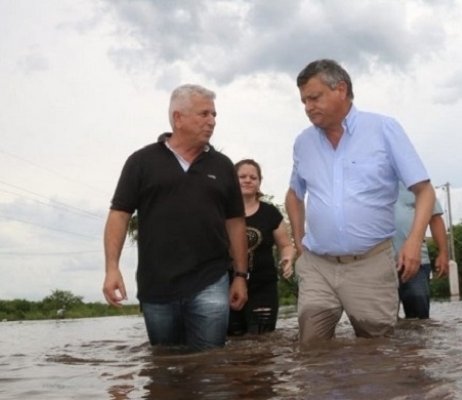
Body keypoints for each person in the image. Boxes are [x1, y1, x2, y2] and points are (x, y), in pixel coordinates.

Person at [285, 59, 435, 346]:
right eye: (304, 101)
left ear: (340, 89)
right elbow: (294, 194)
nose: (308, 107)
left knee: (376, 348)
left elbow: (425, 191)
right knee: (311, 347)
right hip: (318, 265)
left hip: (370, 263)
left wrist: (414, 242)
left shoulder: (383, 129)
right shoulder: (303, 142)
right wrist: (299, 242)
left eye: (314, 98)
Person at [102, 84, 249, 352]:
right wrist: (112, 268)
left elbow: (235, 223)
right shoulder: (141, 162)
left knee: (210, 365)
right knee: (165, 366)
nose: (212, 121)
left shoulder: (223, 165)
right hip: (157, 285)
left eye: (214, 115)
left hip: (211, 280)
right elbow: (119, 214)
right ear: (178, 118)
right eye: (204, 114)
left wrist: (240, 274)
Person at [228, 159, 296, 335]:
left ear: (259, 182)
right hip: (228, 285)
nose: (248, 180)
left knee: (262, 342)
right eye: (242, 176)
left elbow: (286, 245)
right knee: (233, 343)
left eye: (253, 177)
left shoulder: (270, 212)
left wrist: (287, 257)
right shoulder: (222, 212)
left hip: (263, 286)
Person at [394, 184, 449, 319]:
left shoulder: (419, 184)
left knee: (419, 321)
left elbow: (435, 219)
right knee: (380, 322)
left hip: (416, 262)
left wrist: (443, 253)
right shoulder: (370, 181)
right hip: (377, 263)